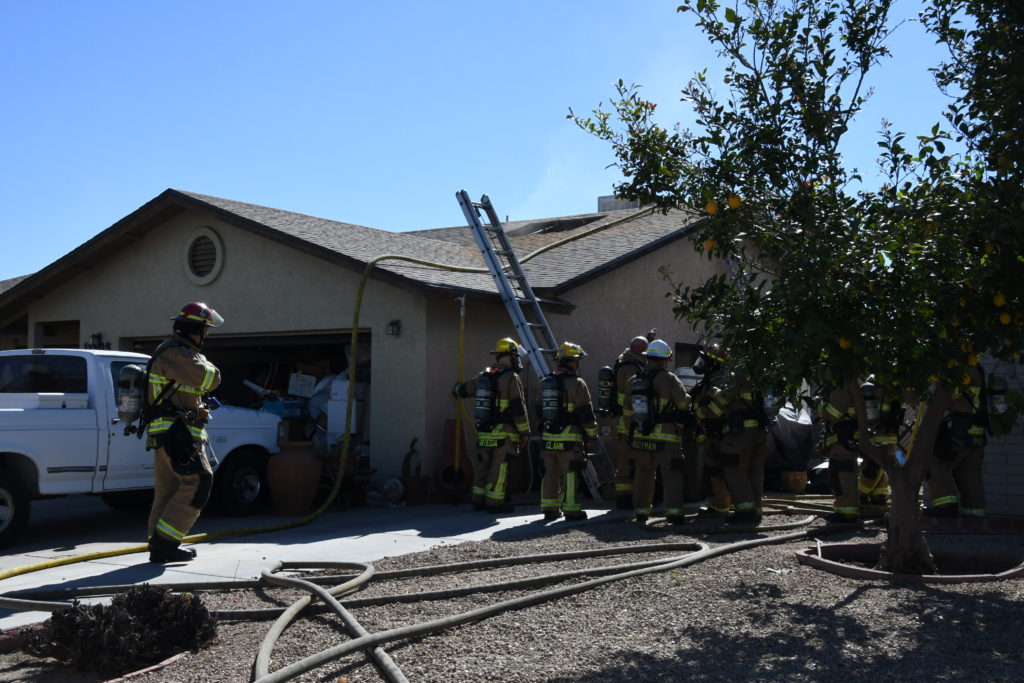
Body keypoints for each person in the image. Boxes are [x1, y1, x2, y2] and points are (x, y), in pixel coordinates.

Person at [145, 302, 223, 563]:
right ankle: (166, 543)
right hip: (177, 433)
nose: (206, 335)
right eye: (205, 329)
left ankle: (158, 545)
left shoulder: (176, 351)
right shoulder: (176, 353)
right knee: (200, 481)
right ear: (195, 330)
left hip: (168, 433)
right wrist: (209, 366)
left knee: (169, 489)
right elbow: (210, 378)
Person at [453, 337, 530, 513]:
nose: (517, 359)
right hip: (504, 435)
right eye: (515, 356)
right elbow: (518, 408)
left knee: (482, 468)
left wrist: (457, 389)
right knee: (499, 469)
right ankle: (495, 504)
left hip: (484, 433)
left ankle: (477, 500)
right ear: (508, 357)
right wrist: (524, 432)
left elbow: (466, 389)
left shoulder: (485, 374)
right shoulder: (511, 378)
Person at [695, 342, 770, 525]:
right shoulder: (755, 377)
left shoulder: (731, 379)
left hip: (739, 433)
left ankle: (745, 512)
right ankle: (755, 511)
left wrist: (701, 412)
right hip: (760, 432)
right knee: (754, 472)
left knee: (734, 470)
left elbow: (718, 407)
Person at [621, 339, 694, 527]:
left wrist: (632, 431)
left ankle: (641, 513)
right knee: (672, 475)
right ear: (665, 360)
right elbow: (683, 404)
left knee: (643, 475)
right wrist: (688, 397)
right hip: (666, 438)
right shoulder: (669, 379)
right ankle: (674, 515)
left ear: (648, 358)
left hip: (640, 436)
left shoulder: (634, 380)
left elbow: (627, 411)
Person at [538, 342, 598, 521]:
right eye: (577, 360)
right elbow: (586, 414)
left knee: (550, 473)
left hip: (549, 439)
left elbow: (538, 410)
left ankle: (549, 509)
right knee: (571, 474)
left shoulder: (545, 382)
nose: (577, 364)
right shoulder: (578, 384)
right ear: (572, 361)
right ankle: (572, 510)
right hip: (570, 440)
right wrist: (592, 436)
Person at [924, 365, 988, 518]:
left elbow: (947, 399)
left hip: (958, 428)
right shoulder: (976, 368)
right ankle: (974, 512)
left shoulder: (957, 369)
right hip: (976, 430)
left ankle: (946, 506)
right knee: (969, 471)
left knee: (933, 461)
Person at [597, 335, 649, 509]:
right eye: (646, 351)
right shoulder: (631, 368)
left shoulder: (625, 360)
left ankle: (627, 494)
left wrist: (647, 338)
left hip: (625, 419)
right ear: (641, 352)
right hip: (628, 421)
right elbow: (632, 396)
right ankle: (624, 496)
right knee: (626, 460)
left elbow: (635, 348)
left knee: (627, 459)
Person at [689, 343, 733, 518]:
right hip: (713, 433)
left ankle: (720, 506)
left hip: (718, 434)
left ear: (714, 364)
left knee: (717, 470)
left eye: (704, 361)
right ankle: (723, 504)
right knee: (717, 469)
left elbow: (717, 410)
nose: (700, 364)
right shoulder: (711, 381)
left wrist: (700, 413)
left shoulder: (718, 382)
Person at [817, 383, 866, 523]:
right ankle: (842, 510)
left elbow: (835, 413)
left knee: (843, 476)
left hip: (843, 440)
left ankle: (847, 514)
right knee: (838, 477)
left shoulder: (841, 386)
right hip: (843, 439)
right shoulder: (842, 385)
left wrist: (819, 406)